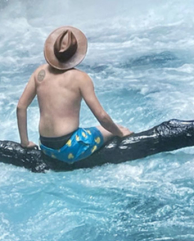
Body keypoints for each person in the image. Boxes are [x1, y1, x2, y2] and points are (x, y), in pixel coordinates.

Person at [16, 25, 132, 163]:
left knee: (103, 130)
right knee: (118, 128)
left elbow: (20, 107)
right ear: (75, 54)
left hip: (46, 147)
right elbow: (102, 116)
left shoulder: (39, 73)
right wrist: (119, 133)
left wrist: (25, 142)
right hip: (70, 147)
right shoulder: (81, 78)